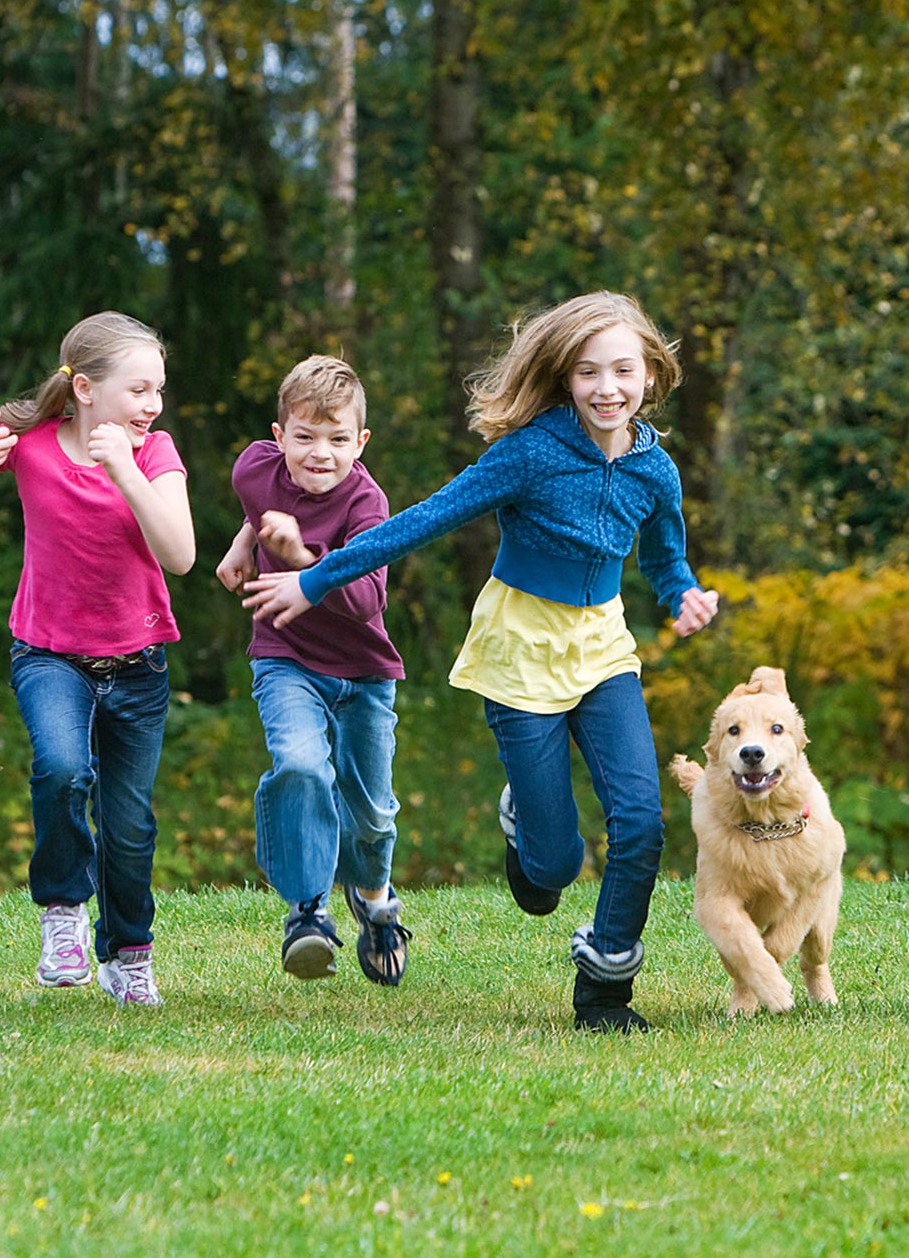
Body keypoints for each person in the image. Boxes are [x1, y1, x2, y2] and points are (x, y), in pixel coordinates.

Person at [241, 292, 719, 1032]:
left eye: (623, 371)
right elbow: (421, 521)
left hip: (601, 649)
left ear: (650, 375)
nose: (607, 388)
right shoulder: (530, 453)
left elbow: (665, 556)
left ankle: (604, 990)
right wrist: (314, 578)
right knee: (552, 871)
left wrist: (683, 593)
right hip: (519, 649)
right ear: (565, 379)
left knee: (641, 821)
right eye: (589, 372)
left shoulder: (656, 471)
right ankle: (526, 824)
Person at [0, 312, 195, 1006]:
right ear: (84, 389)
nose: (153, 405)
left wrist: (125, 471)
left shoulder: (153, 454)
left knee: (129, 828)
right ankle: (63, 915)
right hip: (49, 656)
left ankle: (127, 953)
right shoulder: (31, 438)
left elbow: (181, 555)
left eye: (158, 389)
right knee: (63, 768)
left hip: (138, 667)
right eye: (138, 390)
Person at [216, 356, 411, 986]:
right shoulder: (254, 467)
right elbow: (258, 497)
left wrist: (303, 558)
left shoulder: (367, 502)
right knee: (301, 766)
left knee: (372, 811)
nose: (319, 453)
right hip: (286, 658)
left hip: (364, 672)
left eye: (336, 439)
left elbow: (366, 600)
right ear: (279, 437)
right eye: (303, 437)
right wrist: (245, 539)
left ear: (361, 442)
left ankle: (375, 900)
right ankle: (307, 912)